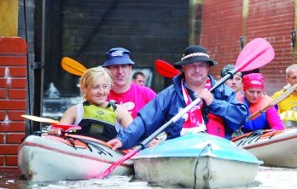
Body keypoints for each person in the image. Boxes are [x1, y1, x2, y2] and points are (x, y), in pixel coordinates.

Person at [108, 45, 249, 150]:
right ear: (184, 68)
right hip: (179, 150)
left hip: (218, 149)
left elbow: (241, 117)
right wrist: (123, 140)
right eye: (192, 66)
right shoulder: (169, 95)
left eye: (201, 65)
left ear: (207, 68)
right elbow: (145, 122)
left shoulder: (222, 91)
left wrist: (213, 103)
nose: (197, 70)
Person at [51, 67, 133, 142]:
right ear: (84, 89)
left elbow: (134, 136)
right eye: (96, 87)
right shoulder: (74, 111)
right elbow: (58, 135)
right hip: (80, 154)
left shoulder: (120, 112)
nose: (101, 92)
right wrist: (56, 132)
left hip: (110, 156)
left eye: (105, 87)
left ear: (109, 87)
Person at [103, 47, 156, 118]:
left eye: (124, 66)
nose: (120, 72)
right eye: (115, 67)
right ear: (107, 70)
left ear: (130, 69)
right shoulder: (101, 95)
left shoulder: (146, 94)